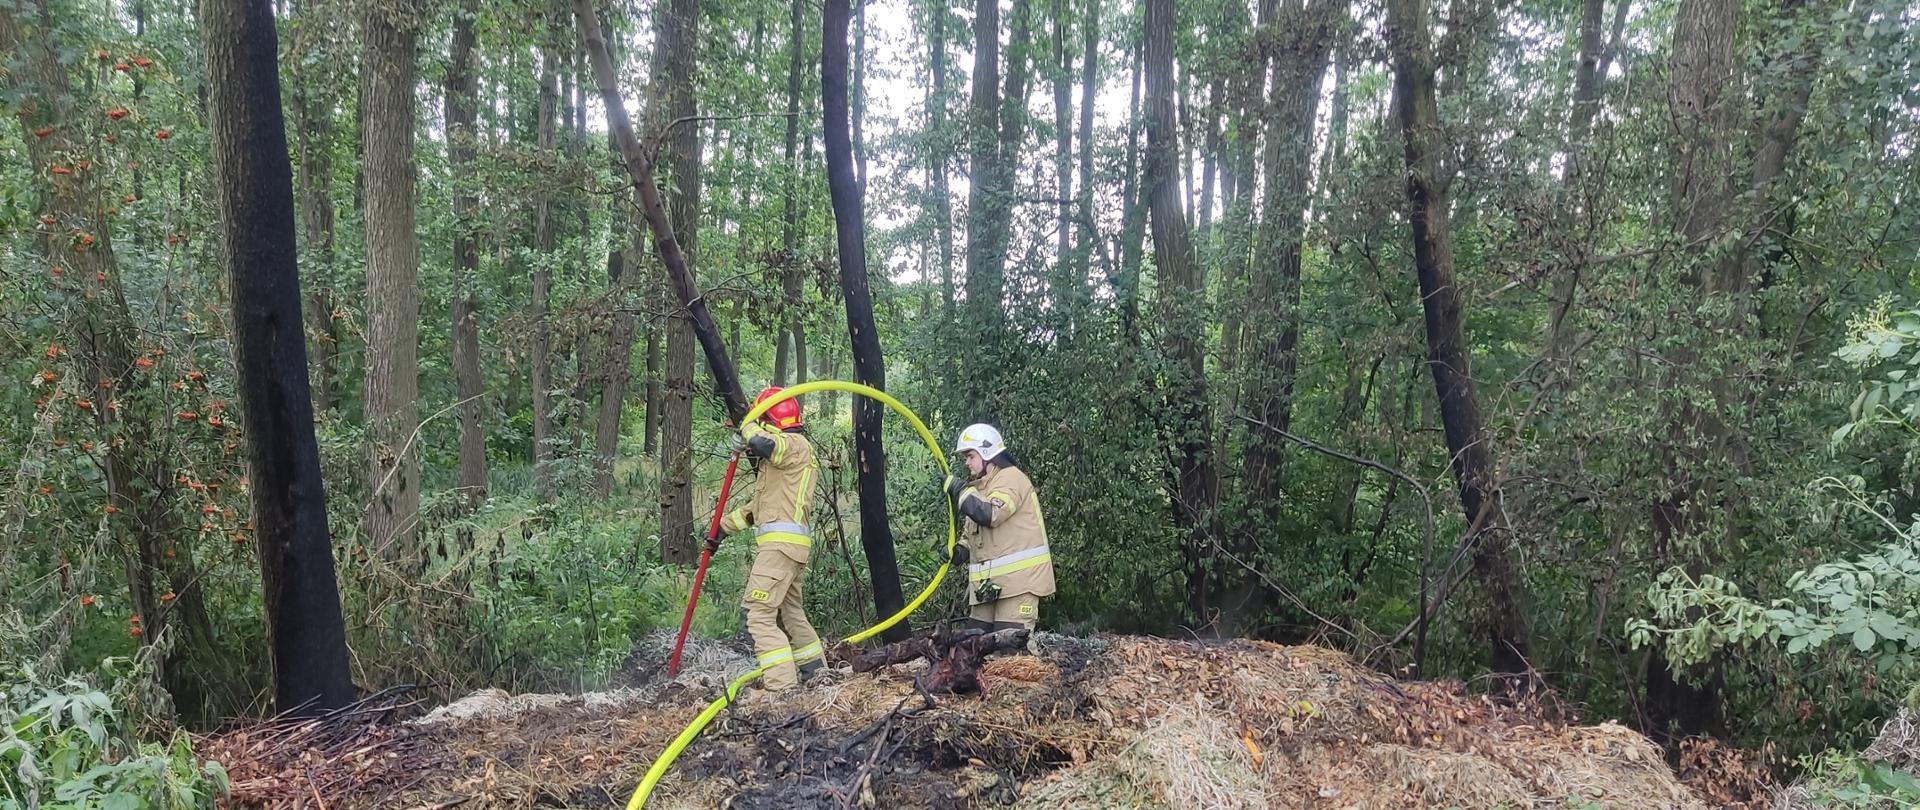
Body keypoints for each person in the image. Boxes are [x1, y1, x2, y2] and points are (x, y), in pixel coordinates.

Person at [717, 386, 823, 690]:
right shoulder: (782, 463)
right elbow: (757, 509)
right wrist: (721, 530)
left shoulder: (793, 445)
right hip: (789, 549)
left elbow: (762, 443)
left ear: (769, 421)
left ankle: (781, 689)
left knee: (759, 615)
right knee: (791, 613)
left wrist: (747, 427)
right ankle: (817, 675)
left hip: (779, 549)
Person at [942, 423, 1055, 633]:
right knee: (975, 645)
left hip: (1019, 584)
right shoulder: (980, 487)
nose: (967, 463)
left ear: (987, 453)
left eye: (970, 456)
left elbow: (991, 514)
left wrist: (960, 492)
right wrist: (960, 551)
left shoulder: (1011, 478)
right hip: (989, 588)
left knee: (1010, 647)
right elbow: (974, 533)